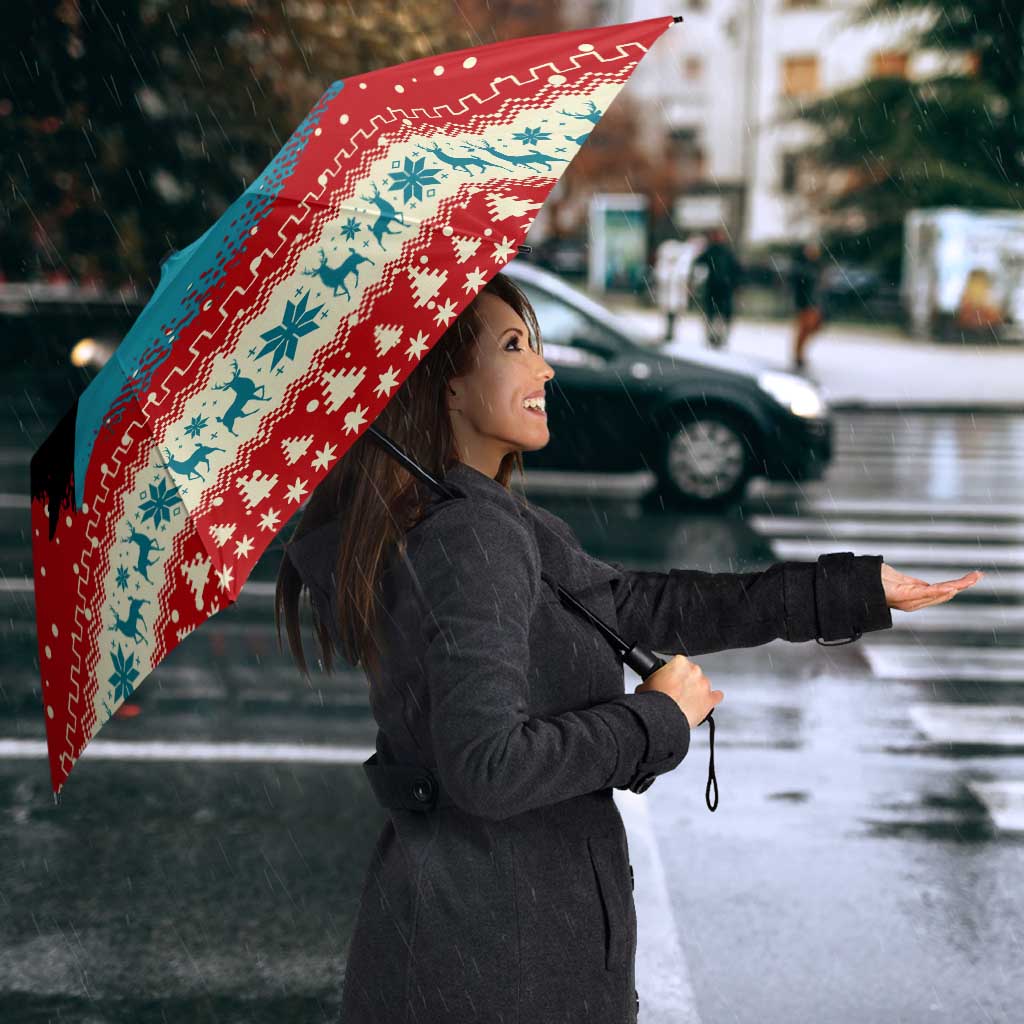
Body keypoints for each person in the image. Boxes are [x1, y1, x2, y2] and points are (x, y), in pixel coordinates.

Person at [275, 271, 911, 1024]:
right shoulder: (469, 536)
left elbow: (637, 604)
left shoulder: (474, 516)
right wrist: (655, 719)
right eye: (514, 346)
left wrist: (849, 592)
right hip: (500, 963)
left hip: (478, 941)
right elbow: (488, 768)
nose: (544, 368)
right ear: (446, 385)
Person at [692, 226, 742, 349]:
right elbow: (698, 264)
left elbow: (736, 270)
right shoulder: (712, 251)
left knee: (720, 315)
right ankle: (713, 337)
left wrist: (735, 284)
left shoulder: (725, 252)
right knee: (713, 314)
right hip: (715, 288)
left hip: (723, 288)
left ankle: (719, 337)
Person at [790, 240, 826, 371]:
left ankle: (800, 354)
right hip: (805, 303)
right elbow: (799, 286)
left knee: (813, 328)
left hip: (814, 303)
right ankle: (798, 355)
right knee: (804, 329)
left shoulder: (817, 266)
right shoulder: (802, 267)